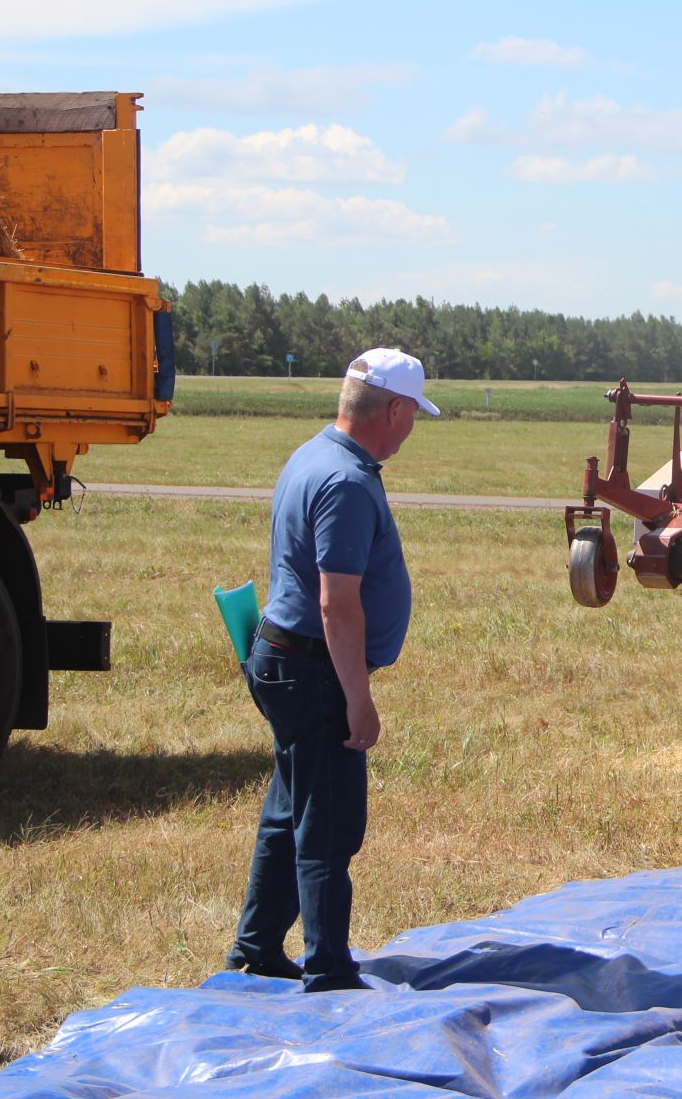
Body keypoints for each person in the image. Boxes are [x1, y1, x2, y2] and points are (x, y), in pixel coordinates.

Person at [226, 347, 438, 991]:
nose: (411, 429)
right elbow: (337, 603)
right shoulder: (346, 481)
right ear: (394, 409)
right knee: (329, 820)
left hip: (288, 657)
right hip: (314, 668)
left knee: (290, 808)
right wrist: (358, 697)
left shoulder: (313, 454)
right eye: (413, 415)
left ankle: (256, 947)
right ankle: (328, 966)